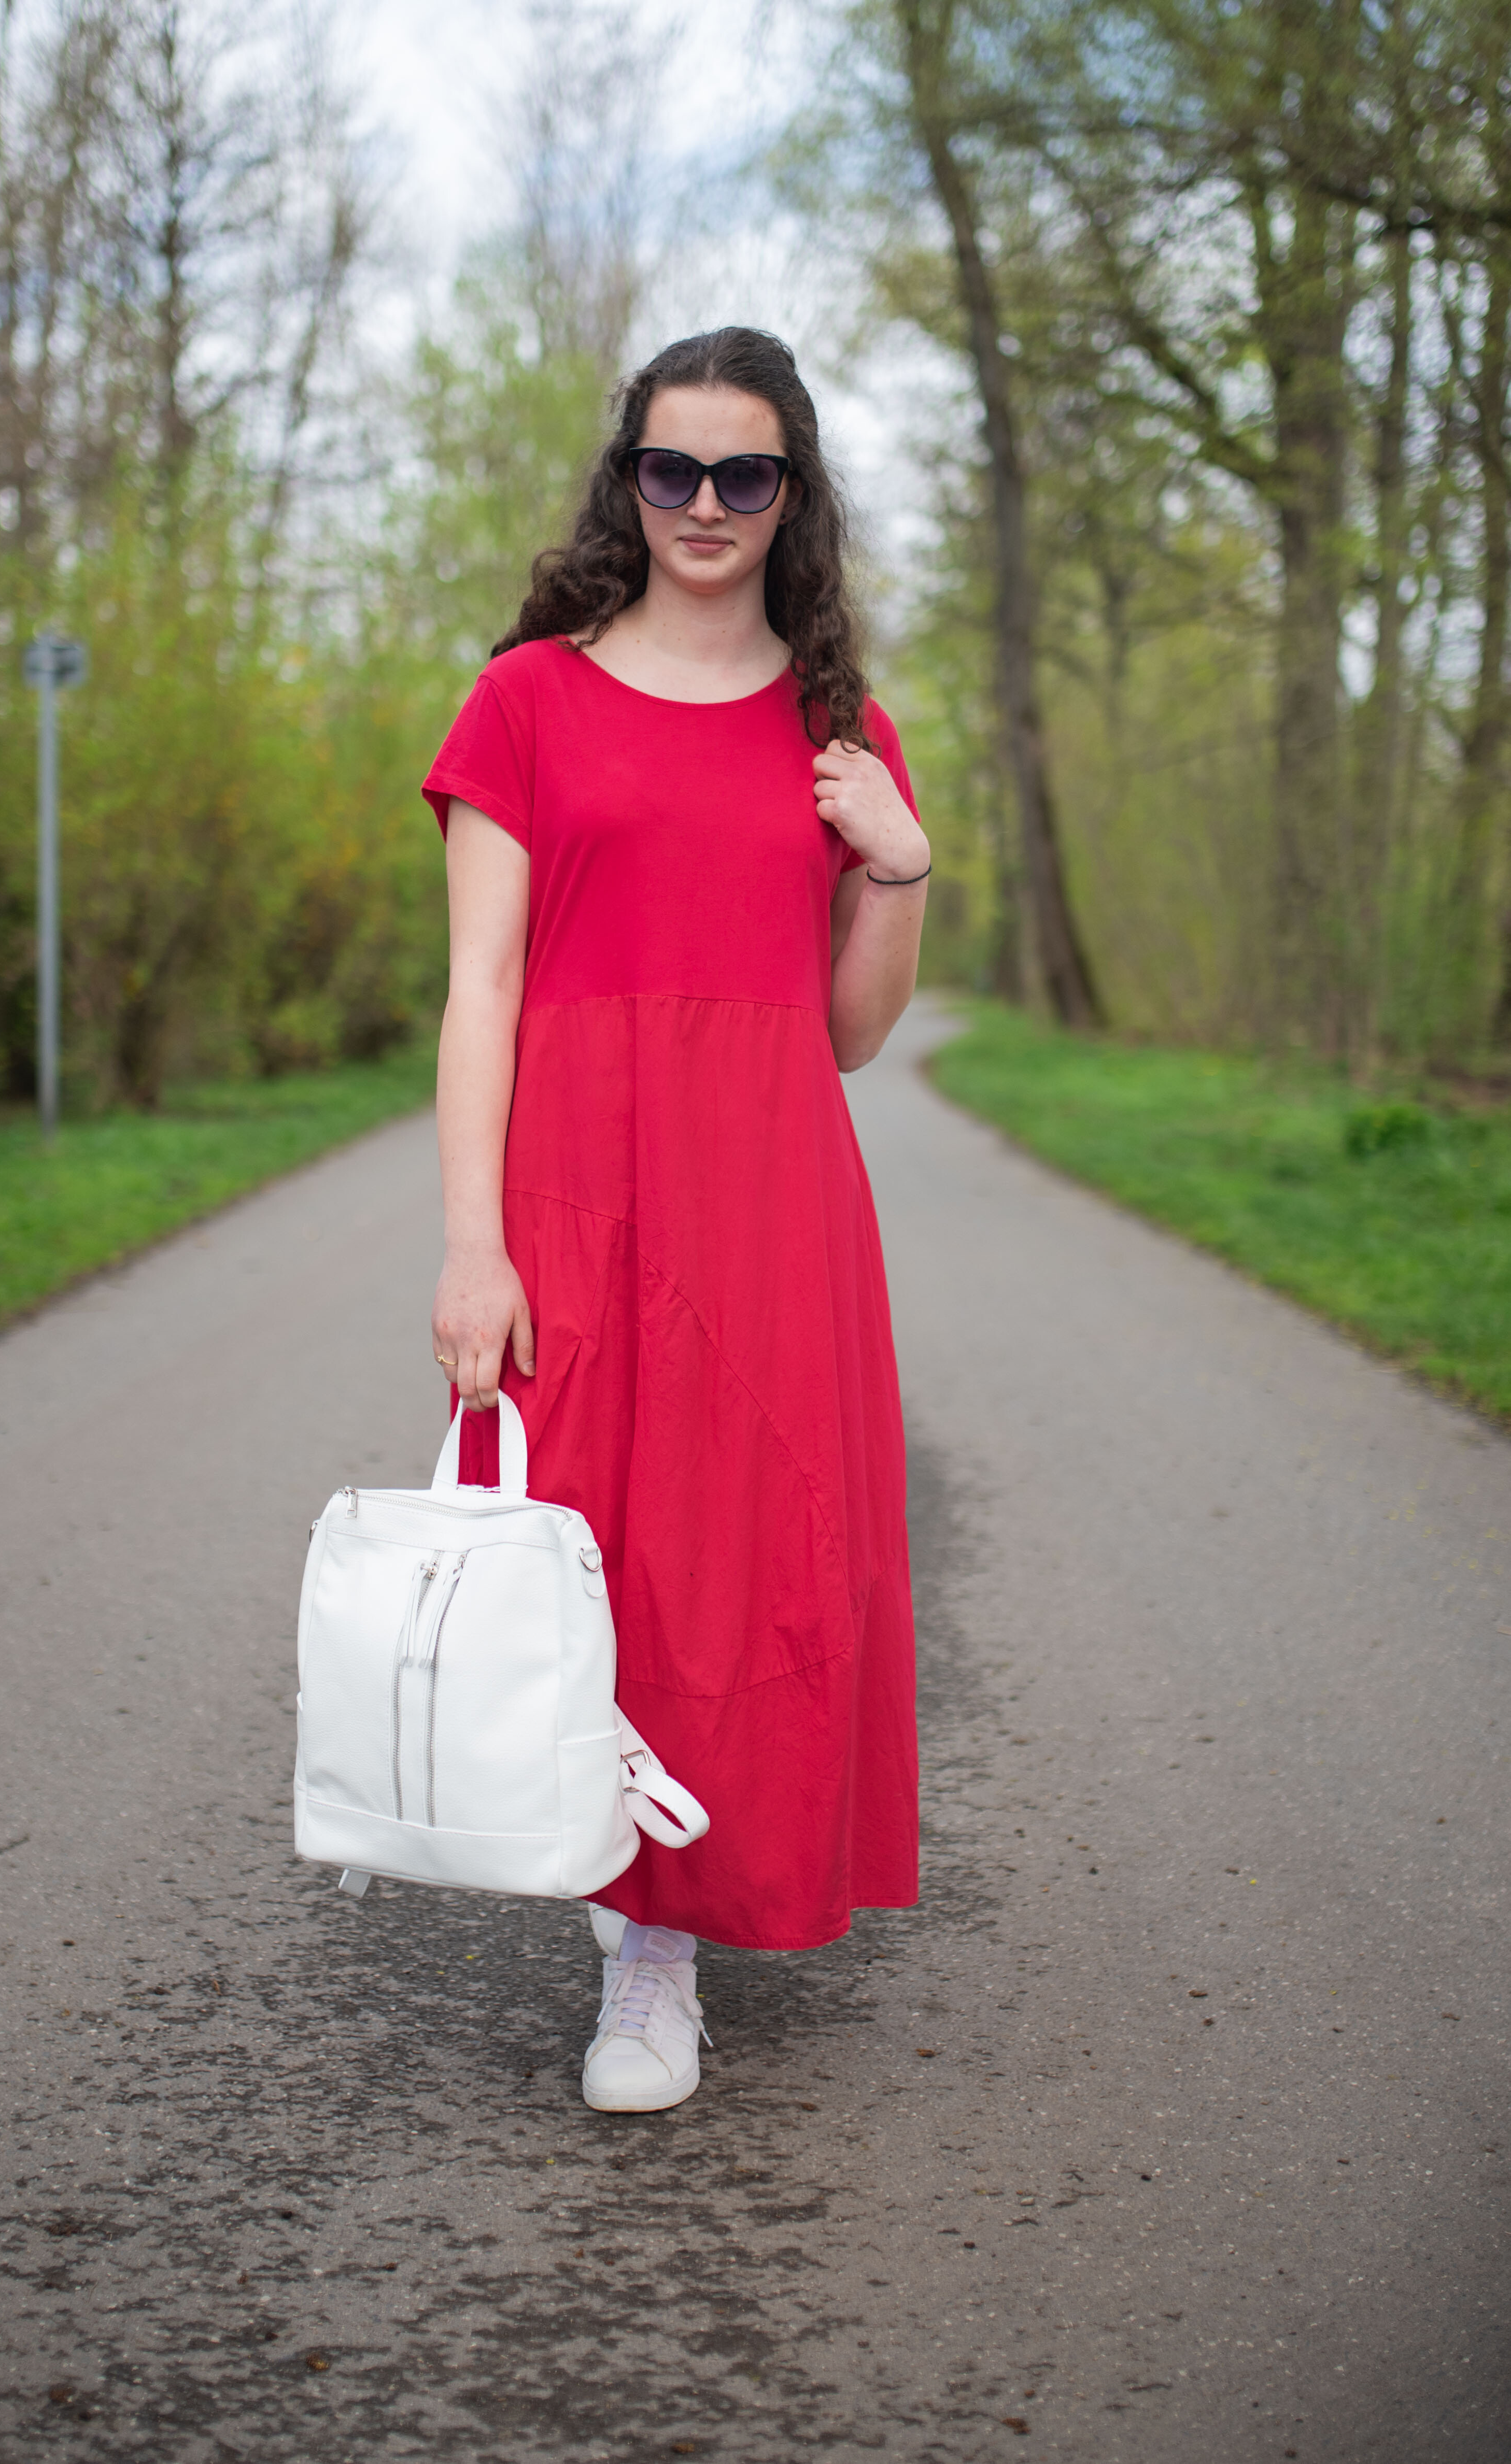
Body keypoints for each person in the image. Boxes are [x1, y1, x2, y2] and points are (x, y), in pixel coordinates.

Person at [422, 325, 930, 2113]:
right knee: (589, 1549)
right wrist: (472, 1241)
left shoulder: (839, 729)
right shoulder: (527, 699)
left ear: (793, 495)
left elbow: (852, 1030)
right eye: (671, 467)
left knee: (742, 1556)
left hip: (770, 1194)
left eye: (745, 473)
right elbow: (482, 989)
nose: (705, 503)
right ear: (626, 481)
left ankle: (659, 1951)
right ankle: (616, 1883)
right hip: (575, 1182)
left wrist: (899, 865)